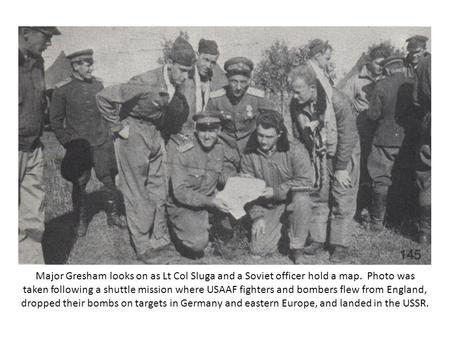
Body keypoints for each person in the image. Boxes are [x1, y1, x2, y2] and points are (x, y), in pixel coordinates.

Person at [96, 37, 196, 264]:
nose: (185, 76)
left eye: (189, 71)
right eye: (181, 70)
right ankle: (142, 244)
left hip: (155, 134)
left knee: (159, 188)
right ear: (169, 62)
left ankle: (159, 238)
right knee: (136, 190)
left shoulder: (177, 86)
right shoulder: (145, 81)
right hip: (134, 134)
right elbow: (103, 97)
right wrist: (118, 127)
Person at [49, 49, 125, 237]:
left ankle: (113, 215)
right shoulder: (62, 89)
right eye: (87, 64)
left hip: (101, 141)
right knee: (80, 182)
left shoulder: (98, 85)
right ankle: (80, 221)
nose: (92, 67)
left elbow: (109, 109)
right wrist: (68, 142)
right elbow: (55, 120)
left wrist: (109, 132)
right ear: (75, 65)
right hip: (79, 146)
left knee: (108, 179)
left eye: (91, 63)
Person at [289, 64, 359, 263]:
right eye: (292, 91)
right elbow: (298, 135)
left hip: (344, 151)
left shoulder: (337, 100)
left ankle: (340, 244)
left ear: (312, 88)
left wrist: (340, 167)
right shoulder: (295, 104)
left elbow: (348, 135)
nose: (294, 96)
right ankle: (317, 239)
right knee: (318, 194)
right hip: (317, 153)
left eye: (297, 91)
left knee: (342, 195)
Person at [241, 111, 314, 264]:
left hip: (292, 202)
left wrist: (276, 191)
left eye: (269, 137)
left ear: (279, 134)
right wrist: (257, 216)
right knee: (258, 250)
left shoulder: (295, 149)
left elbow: (305, 181)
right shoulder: (249, 151)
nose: (263, 141)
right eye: (260, 135)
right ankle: (283, 233)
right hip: (267, 207)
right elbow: (246, 189)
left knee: (301, 198)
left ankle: (298, 248)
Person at [19, 26, 61, 264]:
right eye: (46, 36)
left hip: (33, 147)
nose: (49, 43)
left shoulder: (38, 63)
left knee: (32, 216)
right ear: (26, 31)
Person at [167, 111, 232, 258]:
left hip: (209, 200)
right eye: (203, 130)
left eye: (212, 131)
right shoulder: (184, 152)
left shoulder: (219, 148)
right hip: (184, 205)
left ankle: (208, 225)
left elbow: (218, 175)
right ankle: (174, 230)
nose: (207, 136)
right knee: (197, 244)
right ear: (196, 130)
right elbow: (180, 192)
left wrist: (236, 180)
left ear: (219, 130)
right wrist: (211, 202)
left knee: (232, 229)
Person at [367, 56, 418, 232]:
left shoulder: (381, 85)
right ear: (402, 67)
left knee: (381, 179)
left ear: (388, 69)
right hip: (408, 140)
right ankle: (400, 220)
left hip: (384, 139)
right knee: (404, 179)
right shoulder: (412, 83)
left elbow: (373, 115)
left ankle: (376, 223)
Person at [342, 45, 391, 222]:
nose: (381, 66)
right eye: (378, 63)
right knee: (362, 168)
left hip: (382, 132)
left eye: (384, 63)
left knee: (379, 171)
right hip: (363, 130)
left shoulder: (388, 79)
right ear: (369, 62)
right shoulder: (356, 80)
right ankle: (358, 207)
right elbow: (344, 102)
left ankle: (376, 209)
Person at [206, 56, 275, 176]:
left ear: (249, 81)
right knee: (224, 182)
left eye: (243, 82)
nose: (238, 87)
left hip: (251, 149)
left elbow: (274, 122)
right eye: (234, 81)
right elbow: (208, 126)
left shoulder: (258, 98)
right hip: (226, 151)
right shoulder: (216, 98)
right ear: (227, 79)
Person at [406, 35, 431, 244]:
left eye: (415, 51)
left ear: (423, 50)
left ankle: (424, 232)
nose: (412, 55)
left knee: (426, 176)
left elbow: (415, 99)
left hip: (429, 122)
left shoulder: (423, 67)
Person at [182, 39, 228, 132]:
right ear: (197, 56)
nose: (208, 65)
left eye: (212, 62)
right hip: (184, 132)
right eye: (205, 60)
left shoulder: (215, 80)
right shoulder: (185, 77)